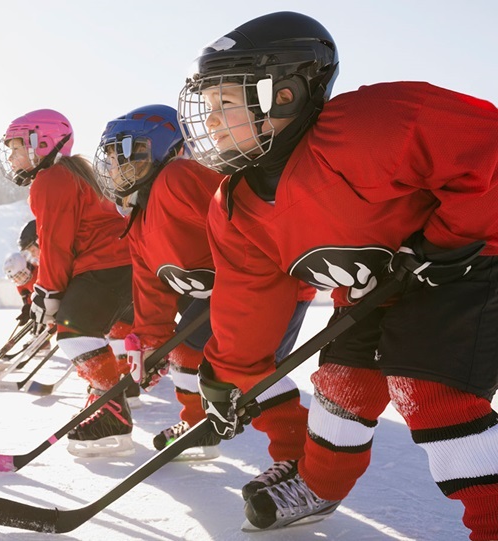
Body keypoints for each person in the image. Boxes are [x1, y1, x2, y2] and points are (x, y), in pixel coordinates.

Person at [178, 11, 498, 538]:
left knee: (428, 389)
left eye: (224, 103)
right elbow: (248, 302)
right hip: (376, 290)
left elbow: (486, 152)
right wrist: (230, 375)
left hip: (466, 264)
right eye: (206, 106)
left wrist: (445, 240)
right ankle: (319, 483)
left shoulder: (370, 126)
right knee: (341, 387)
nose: (210, 121)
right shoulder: (236, 206)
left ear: (284, 94)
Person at [89, 104, 313, 461]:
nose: (118, 165)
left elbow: (248, 220)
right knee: (187, 347)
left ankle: (298, 458)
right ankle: (198, 423)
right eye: (113, 157)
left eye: (131, 152)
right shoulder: (139, 218)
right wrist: (148, 343)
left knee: (242, 370)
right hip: (224, 293)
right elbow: (152, 289)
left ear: (171, 150)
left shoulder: (179, 179)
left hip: (267, 283)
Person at [0, 109, 136, 457]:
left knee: (73, 333)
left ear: (40, 143)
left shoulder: (52, 179)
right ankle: (103, 401)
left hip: (106, 268)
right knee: (90, 333)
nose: (11, 158)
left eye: (16, 148)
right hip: (125, 266)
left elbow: (55, 244)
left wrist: (48, 292)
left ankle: (112, 411)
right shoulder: (75, 173)